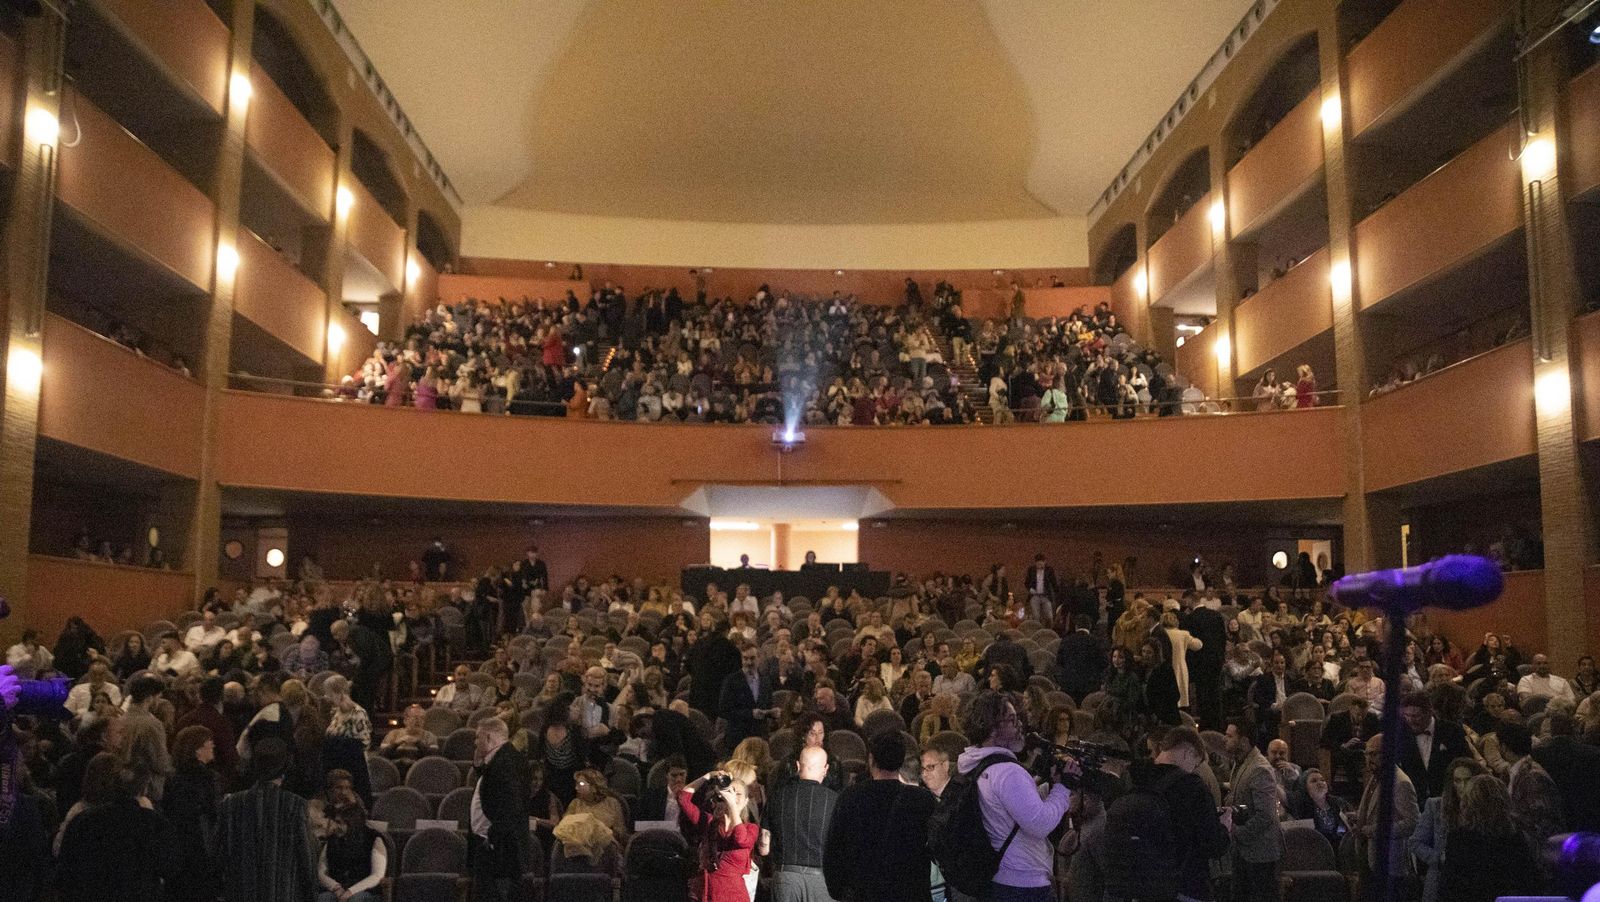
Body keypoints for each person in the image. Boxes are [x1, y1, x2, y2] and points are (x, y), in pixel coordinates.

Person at [950, 691, 1073, 901]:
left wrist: (1043, 784)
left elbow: (1007, 805)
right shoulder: (1007, 772)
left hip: (997, 876)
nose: (1020, 727)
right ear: (991, 727)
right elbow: (1041, 823)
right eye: (1012, 720)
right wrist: (1064, 787)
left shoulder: (974, 762)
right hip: (1022, 882)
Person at [1102, 727, 1232, 902]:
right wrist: (1224, 826)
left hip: (1137, 888)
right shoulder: (1191, 787)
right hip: (1184, 887)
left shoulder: (1134, 776)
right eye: (1195, 763)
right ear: (1189, 752)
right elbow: (1213, 845)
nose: (1193, 770)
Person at [824, 730, 936, 902]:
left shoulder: (851, 797)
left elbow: (834, 851)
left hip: (865, 893)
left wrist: (841, 892)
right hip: (910, 893)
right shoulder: (922, 799)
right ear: (900, 761)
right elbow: (938, 847)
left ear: (871, 760)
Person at [55, 752, 181, 902]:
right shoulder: (154, 822)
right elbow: (170, 867)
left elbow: (66, 867)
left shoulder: (83, 819)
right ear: (142, 789)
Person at [219, 738, 319, 902]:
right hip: (282, 893)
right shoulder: (295, 805)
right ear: (285, 767)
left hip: (241, 892)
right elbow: (306, 856)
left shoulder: (231, 804)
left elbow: (219, 854)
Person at [1436, 775, 1540, 902]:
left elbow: (1449, 886)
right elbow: (1529, 882)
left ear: (1468, 803)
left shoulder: (1460, 838)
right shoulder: (1513, 836)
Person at [470, 716, 533, 902]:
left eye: (477, 737)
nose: (475, 742)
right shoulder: (506, 757)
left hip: (500, 849)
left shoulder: (506, 762)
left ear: (489, 737)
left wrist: (492, 838)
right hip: (498, 845)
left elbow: (510, 806)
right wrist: (479, 764)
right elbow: (494, 787)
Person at [1222, 717, 1282, 902]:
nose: (1225, 739)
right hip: (1245, 852)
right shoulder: (1240, 762)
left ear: (1244, 741)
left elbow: (1266, 816)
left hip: (1259, 855)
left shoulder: (1259, 769)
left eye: (1230, 736)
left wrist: (1235, 832)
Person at [1352, 734, 1418, 899]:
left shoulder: (1400, 782)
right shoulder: (1376, 776)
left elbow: (1412, 822)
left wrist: (1373, 830)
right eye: (1366, 754)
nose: (1369, 759)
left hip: (1391, 863)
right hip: (1372, 856)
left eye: (1374, 754)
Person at [768, 746, 838, 902]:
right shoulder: (836, 800)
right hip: (823, 881)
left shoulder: (777, 797)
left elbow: (763, 847)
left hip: (786, 878)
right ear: (826, 769)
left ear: (798, 766)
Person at [1409, 757, 1485, 902]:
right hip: (1440, 880)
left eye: (1467, 780)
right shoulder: (1436, 806)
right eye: (1457, 780)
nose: (1462, 785)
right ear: (1451, 782)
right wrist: (1439, 858)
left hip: (1473, 882)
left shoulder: (1483, 809)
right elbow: (1415, 842)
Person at [679, 768, 760, 902]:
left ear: (746, 801)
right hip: (708, 893)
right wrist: (709, 775)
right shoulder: (710, 823)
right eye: (729, 791)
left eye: (738, 794)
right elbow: (683, 798)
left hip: (734, 895)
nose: (732, 796)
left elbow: (740, 839)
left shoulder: (751, 828)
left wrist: (732, 805)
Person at [164, 725, 223, 902]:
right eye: (208, 742)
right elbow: (215, 812)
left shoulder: (173, 778)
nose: (212, 745)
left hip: (179, 847)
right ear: (197, 749)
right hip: (202, 847)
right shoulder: (208, 777)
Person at [317, 770, 387, 902]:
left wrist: (350, 891)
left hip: (363, 890)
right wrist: (336, 888)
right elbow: (321, 872)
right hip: (338, 889)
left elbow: (377, 875)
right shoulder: (333, 838)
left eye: (340, 823)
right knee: (323, 898)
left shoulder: (373, 839)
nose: (336, 826)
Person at [1397, 690, 1471, 800]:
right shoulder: (1401, 734)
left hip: (1448, 797)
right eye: (1406, 715)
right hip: (1415, 799)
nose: (1410, 721)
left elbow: (1465, 761)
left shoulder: (1452, 731)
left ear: (1429, 712)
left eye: (1416, 716)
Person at [122, 674, 174, 801]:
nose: (158, 701)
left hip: (122, 783)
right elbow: (160, 762)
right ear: (149, 698)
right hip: (145, 788)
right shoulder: (152, 724)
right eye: (158, 697)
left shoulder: (121, 719)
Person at [719, 643, 775, 752]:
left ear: (759, 658)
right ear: (741, 659)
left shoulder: (765, 680)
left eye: (752, 658)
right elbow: (724, 710)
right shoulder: (731, 681)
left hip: (760, 738)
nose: (749, 662)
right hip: (738, 738)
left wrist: (772, 713)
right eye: (745, 658)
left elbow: (768, 705)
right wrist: (750, 713)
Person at [1287, 768, 1350, 850]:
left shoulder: (1338, 802)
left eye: (1322, 780)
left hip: (1338, 847)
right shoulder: (1300, 805)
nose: (1320, 783)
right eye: (1314, 781)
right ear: (1305, 787)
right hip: (1314, 849)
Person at [1022, 554, 1059, 626]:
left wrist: (1057, 594)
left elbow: (1054, 583)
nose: (1040, 565)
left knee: (1049, 616)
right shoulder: (1031, 570)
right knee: (1036, 617)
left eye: (1041, 563)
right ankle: (1037, 632)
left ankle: (1049, 631)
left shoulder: (1049, 570)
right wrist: (1030, 589)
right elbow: (1026, 583)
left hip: (1046, 596)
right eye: (1038, 564)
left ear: (1045, 562)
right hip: (1035, 596)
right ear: (1035, 563)